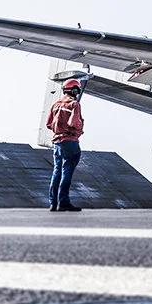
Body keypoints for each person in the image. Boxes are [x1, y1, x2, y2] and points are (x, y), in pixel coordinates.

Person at [46, 79, 85, 212]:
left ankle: (53, 203)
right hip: (70, 142)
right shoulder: (75, 104)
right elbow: (73, 123)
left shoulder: (55, 105)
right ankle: (64, 202)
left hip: (57, 143)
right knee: (67, 172)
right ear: (75, 91)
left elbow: (49, 124)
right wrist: (79, 127)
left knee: (56, 172)